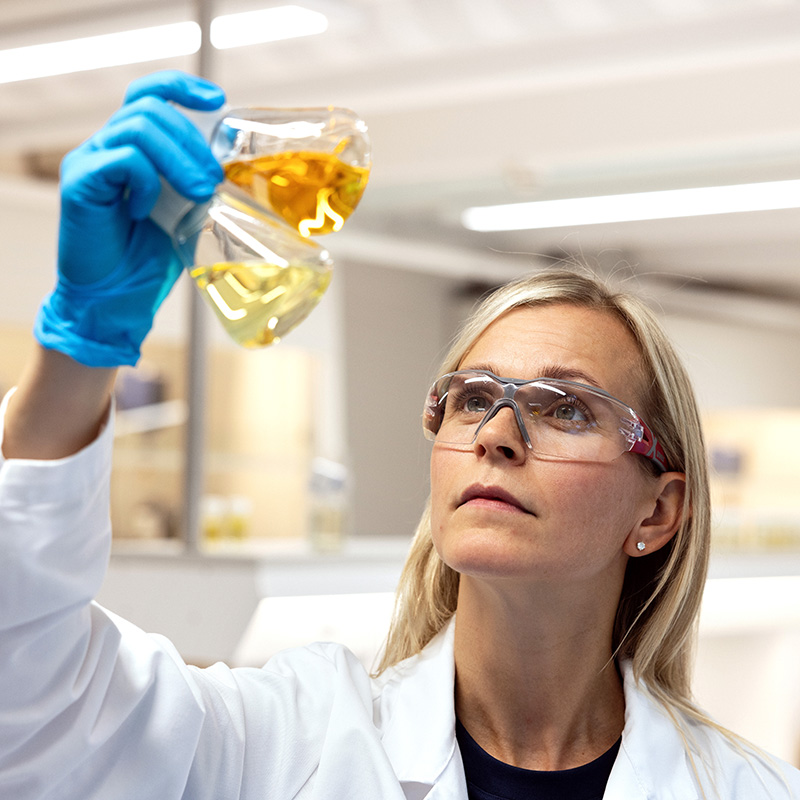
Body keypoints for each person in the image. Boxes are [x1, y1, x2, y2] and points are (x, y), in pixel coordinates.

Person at [0, 70, 797, 800]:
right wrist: (83, 345)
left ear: (658, 511)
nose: (497, 435)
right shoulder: (288, 741)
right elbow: (37, 717)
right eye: (473, 398)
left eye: (565, 407)